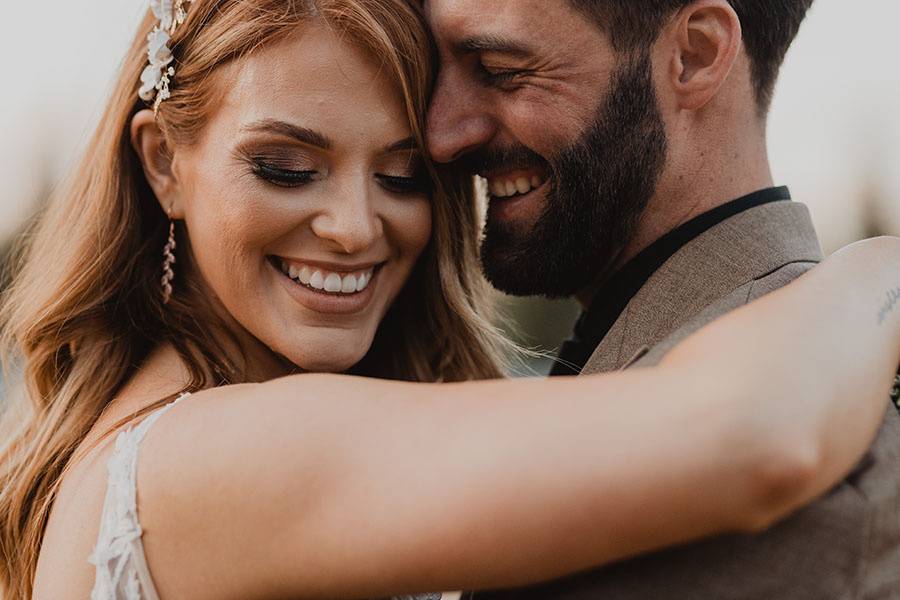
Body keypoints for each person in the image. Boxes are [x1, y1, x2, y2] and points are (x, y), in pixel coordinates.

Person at [0, 1, 897, 599]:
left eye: (402, 176)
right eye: (284, 167)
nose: (354, 227)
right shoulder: (208, 457)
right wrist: (876, 269)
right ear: (163, 163)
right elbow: (752, 433)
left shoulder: (178, 430)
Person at [422, 0, 900, 598]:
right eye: (431, 74)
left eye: (499, 69)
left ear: (693, 57)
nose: (440, 135)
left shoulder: (809, 504)